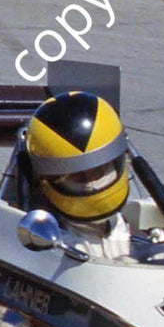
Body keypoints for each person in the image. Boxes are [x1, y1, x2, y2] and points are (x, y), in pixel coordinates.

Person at [24, 91, 142, 259]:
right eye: (77, 176)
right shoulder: (44, 238)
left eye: (99, 170)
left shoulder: (138, 231)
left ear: (119, 159)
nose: (92, 183)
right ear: (48, 180)